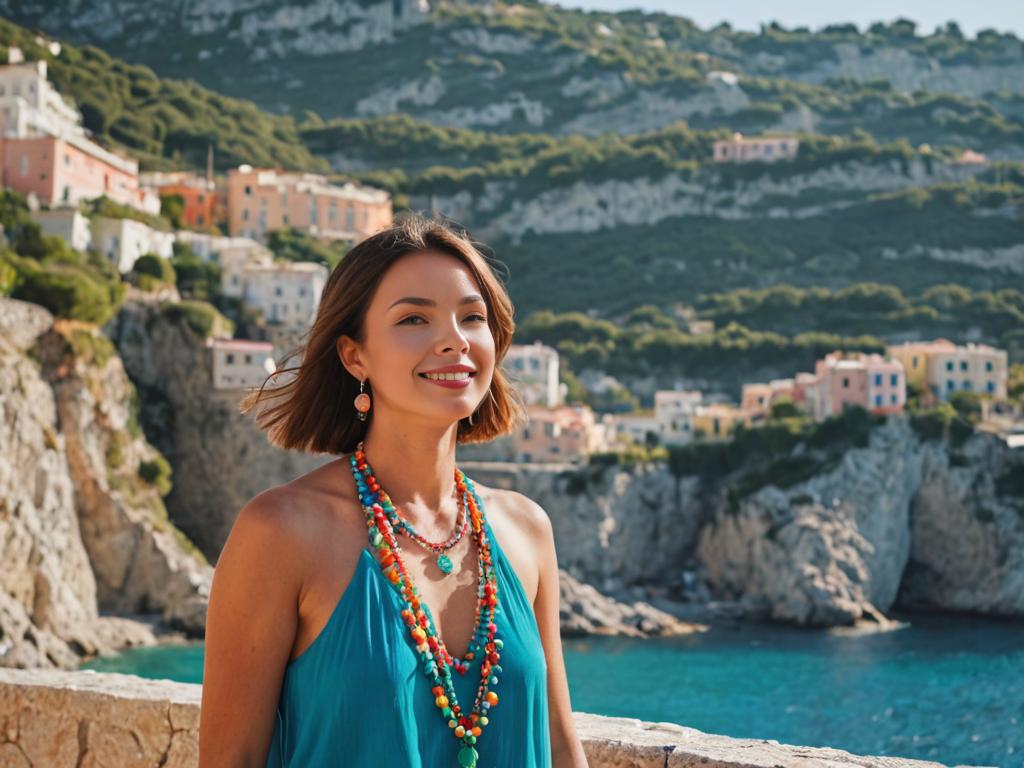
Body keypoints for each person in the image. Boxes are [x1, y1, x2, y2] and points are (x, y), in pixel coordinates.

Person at [198, 213, 589, 767]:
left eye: (471, 317)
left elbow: (561, 746)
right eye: (413, 319)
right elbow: (230, 759)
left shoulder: (526, 529)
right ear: (354, 355)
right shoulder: (281, 532)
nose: (453, 340)